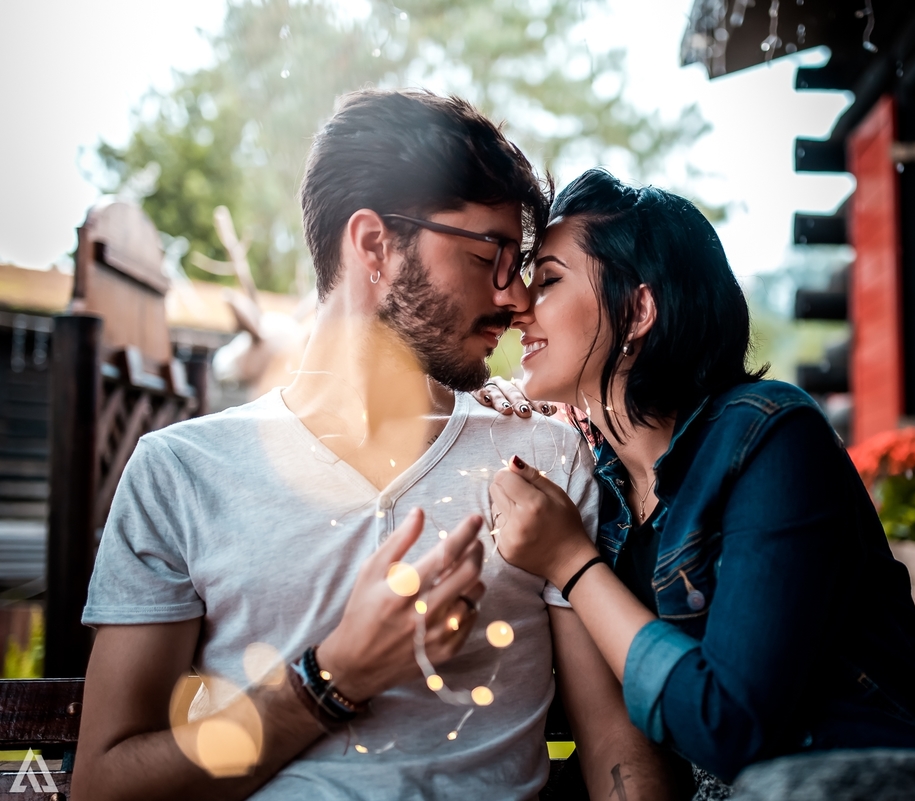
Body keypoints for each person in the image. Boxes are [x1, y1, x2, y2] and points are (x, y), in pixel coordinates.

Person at [74, 92, 679, 801]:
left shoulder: (543, 458)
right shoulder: (179, 475)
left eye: (521, 265)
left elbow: (614, 744)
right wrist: (332, 679)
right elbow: (104, 783)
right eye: (491, 254)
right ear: (373, 246)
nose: (516, 298)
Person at [480, 169, 915, 795]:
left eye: (551, 279)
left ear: (639, 310)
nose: (522, 305)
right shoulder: (604, 492)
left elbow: (730, 727)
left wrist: (572, 564)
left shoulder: (770, 436)